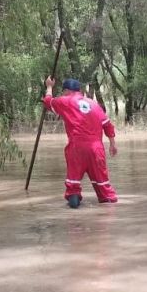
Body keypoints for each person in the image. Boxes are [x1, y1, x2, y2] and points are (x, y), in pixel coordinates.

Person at [43, 77, 118, 208]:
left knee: (73, 186)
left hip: (76, 149)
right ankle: (108, 213)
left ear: (66, 91)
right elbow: (108, 125)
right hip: (96, 149)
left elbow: (48, 102)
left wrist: (49, 86)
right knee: (103, 186)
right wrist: (112, 144)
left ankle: (74, 213)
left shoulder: (65, 101)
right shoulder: (94, 104)